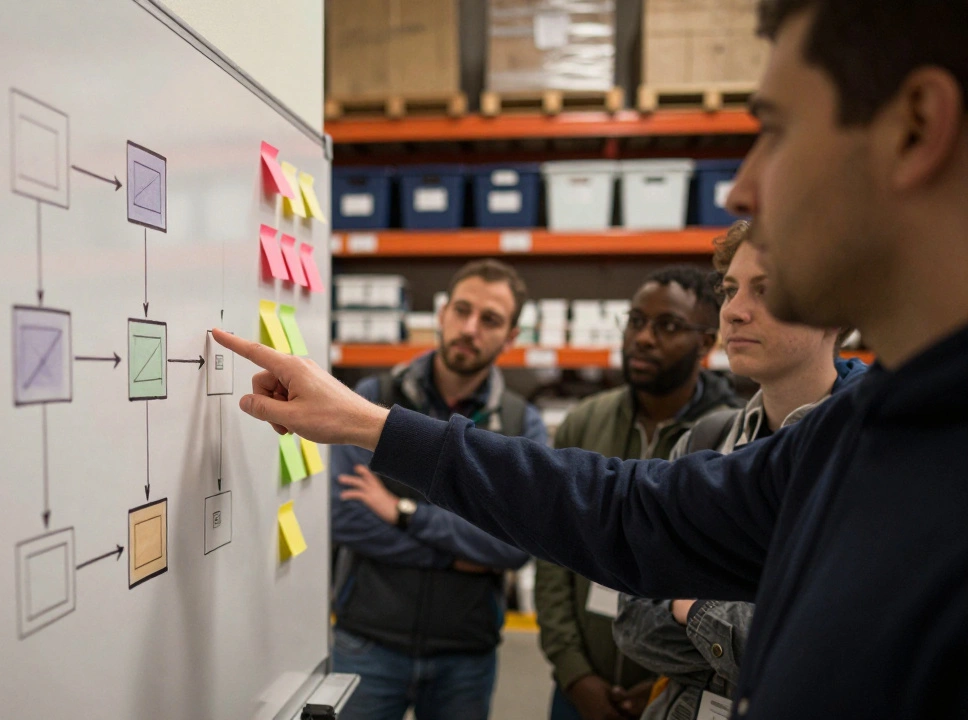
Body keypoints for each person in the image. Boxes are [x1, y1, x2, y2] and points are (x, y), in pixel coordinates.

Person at [210, 0, 968, 715]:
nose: (741, 190)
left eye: (778, 129)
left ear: (915, 127)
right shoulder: (856, 433)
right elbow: (623, 509)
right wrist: (370, 423)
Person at [610, 221, 867, 720]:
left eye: (765, 290)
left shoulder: (875, 452)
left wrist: (692, 607)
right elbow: (631, 620)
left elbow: (835, 656)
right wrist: (752, 635)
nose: (733, 311)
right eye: (730, 289)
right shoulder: (706, 441)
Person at [330, 259, 546, 720]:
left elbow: (516, 547)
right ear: (442, 315)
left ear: (510, 337)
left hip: (464, 656)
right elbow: (346, 517)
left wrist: (403, 514)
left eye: (489, 320)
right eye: (462, 311)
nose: (470, 328)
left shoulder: (518, 424)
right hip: (367, 641)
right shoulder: (372, 397)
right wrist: (462, 554)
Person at [535, 266, 740, 720]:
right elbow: (550, 556)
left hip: (676, 692)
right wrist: (574, 673)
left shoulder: (729, 441)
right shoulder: (584, 422)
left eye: (668, 326)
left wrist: (664, 680)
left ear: (706, 344)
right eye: (636, 321)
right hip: (576, 693)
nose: (644, 338)